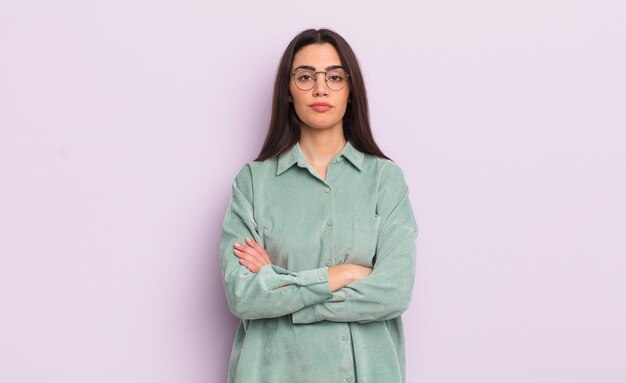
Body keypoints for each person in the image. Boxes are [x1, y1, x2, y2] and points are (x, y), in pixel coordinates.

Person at [219, 28, 419, 383]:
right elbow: (244, 297)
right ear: (287, 91)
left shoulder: (385, 180)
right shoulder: (253, 181)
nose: (321, 88)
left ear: (351, 91)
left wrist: (281, 285)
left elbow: (393, 291)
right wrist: (340, 275)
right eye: (306, 76)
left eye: (335, 77)